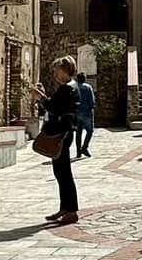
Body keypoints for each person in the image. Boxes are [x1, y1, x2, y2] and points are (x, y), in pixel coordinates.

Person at [35, 58, 82, 223]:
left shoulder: (67, 89)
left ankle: (71, 210)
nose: (55, 73)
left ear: (64, 70)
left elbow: (54, 107)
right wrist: (44, 97)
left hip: (61, 134)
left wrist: (41, 98)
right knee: (60, 171)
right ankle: (65, 207)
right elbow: (55, 105)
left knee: (64, 172)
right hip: (64, 132)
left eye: (57, 70)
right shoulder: (69, 87)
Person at [74, 75, 97, 158]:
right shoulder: (88, 87)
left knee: (78, 133)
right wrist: (92, 107)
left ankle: (78, 151)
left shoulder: (74, 88)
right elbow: (91, 100)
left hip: (76, 113)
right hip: (86, 112)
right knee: (90, 131)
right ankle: (84, 147)